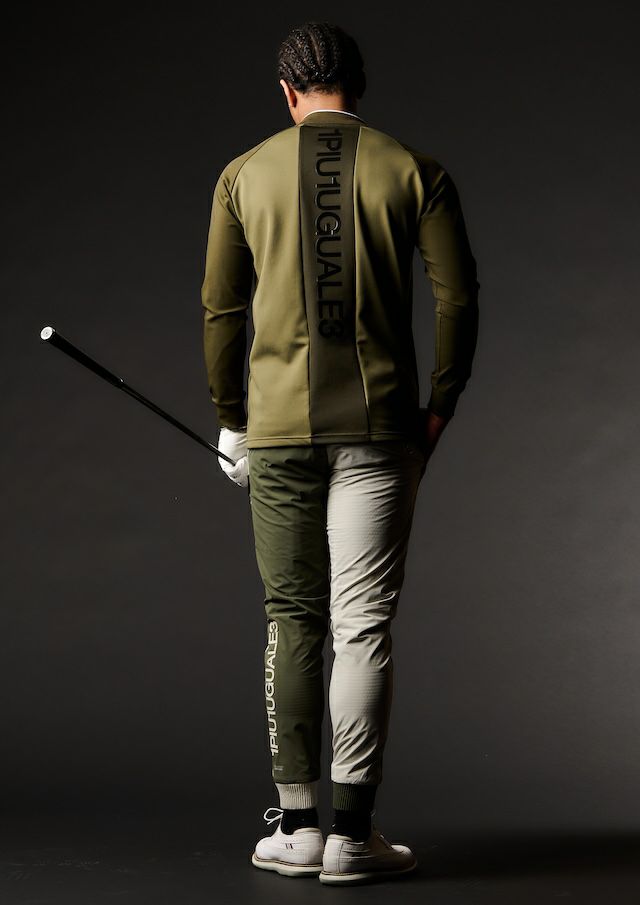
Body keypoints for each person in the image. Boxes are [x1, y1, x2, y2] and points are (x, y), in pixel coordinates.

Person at [200, 20, 480, 885]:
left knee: (293, 616)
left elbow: (221, 311)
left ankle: (298, 828)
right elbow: (459, 300)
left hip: (278, 432)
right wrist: (439, 407)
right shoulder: (415, 170)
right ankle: (354, 837)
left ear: (288, 92)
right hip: (382, 428)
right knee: (363, 624)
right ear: (358, 85)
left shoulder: (244, 174)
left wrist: (231, 420)